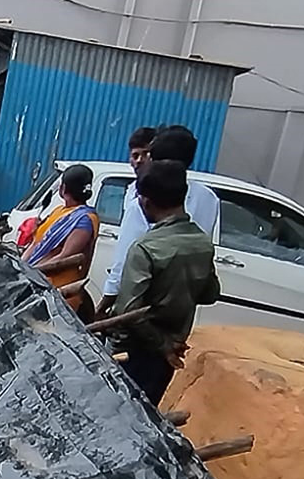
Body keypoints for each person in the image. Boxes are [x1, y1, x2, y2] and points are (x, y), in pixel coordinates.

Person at [108, 160, 220, 405]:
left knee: (117, 412)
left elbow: (128, 311)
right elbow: (210, 294)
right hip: (168, 355)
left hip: (132, 352)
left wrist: (162, 344)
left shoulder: (145, 248)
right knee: (147, 414)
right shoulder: (202, 243)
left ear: (145, 201)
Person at [101, 124, 220, 312]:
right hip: (182, 308)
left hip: (141, 304)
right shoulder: (209, 198)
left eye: (148, 154)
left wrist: (105, 304)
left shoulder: (145, 197)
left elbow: (125, 260)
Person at [22, 164, 100, 321]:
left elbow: (65, 257)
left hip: (58, 292)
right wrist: (21, 268)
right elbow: (36, 244)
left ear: (63, 188)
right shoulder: (59, 211)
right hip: (33, 283)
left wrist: (32, 273)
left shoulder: (84, 220)